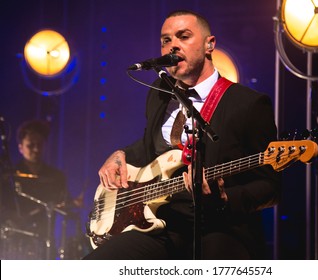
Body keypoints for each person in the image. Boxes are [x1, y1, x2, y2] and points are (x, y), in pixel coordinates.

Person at [84, 9, 281, 260]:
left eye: (183, 36)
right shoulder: (159, 91)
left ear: (210, 44)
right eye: (166, 40)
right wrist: (119, 154)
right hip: (162, 224)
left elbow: (270, 187)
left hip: (222, 227)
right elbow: (149, 147)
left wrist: (223, 198)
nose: (172, 46)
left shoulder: (248, 104)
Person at [2, 119, 69, 259]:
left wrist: (71, 204)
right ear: (20, 147)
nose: (36, 149)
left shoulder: (56, 176)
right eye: (30, 145)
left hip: (45, 242)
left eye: (39, 144)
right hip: (13, 240)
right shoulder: (9, 176)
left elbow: (65, 203)